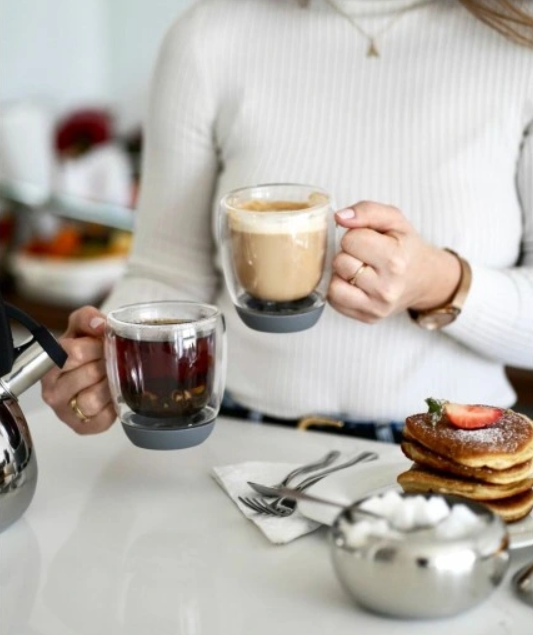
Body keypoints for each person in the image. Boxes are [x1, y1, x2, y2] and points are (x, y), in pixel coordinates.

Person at [41, 0, 533, 443]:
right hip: (245, 456)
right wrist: (106, 355)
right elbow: (166, 272)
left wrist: (438, 283)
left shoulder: (520, 43)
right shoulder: (207, 38)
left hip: (457, 455)